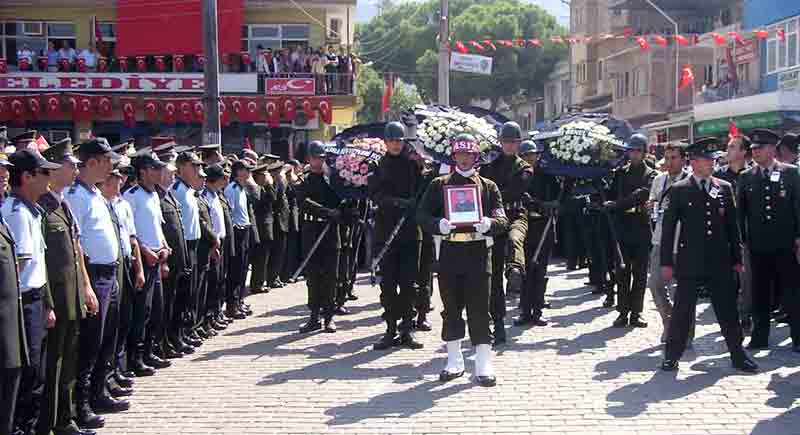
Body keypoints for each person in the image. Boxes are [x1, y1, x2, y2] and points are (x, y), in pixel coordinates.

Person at [660, 137, 758, 373]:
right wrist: (666, 262)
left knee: (727, 310)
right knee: (683, 311)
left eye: (713, 160)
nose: (712, 164)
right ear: (693, 162)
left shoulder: (723, 187)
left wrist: (736, 258)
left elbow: (732, 227)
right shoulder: (679, 190)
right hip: (690, 261)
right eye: (706, 160)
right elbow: (669, 229)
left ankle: (737, 354)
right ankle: (672, 355)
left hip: (719, 260)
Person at [417, 133, 508, 387]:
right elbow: (421, 215)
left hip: (478, 254)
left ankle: (483, 362)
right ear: (453, 156)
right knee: (451, 309)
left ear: (476, 156)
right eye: (460, 154)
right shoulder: (439, 185)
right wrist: (438, 224)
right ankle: (454, 360)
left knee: (480, 309)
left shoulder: (488, 186)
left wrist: (489, 223)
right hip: (449, 255)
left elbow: (502, 220)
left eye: (469, 154)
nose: (464, 159)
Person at [38, 139, 101, 435]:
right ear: (51, 170)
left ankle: (67, 417)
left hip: (73, 294)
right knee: (55, 365)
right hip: (56, 298)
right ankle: (51, 421)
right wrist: (48, 302)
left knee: (70, 360)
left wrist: (86, 287)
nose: (76, 168)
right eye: (70, 164)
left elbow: (75, 250)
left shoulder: (62, 203)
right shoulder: (40, 208)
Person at [65, 138, 127, 428]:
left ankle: (99, 390)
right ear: (93, 162)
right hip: (94, 274)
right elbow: (74, 244)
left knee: (106, 338)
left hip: (110, 273)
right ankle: (82, 403)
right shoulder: (76, 195)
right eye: (107, 161)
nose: (112, 166)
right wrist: (86, 284)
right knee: (89, 342)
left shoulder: (95, 193)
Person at [2, 149, 59, 435]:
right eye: (44, 173)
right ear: (26, 177)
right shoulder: (17, 214)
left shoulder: (31, 211)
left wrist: (47, 304)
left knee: (37, 372)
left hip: (35, 300)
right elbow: (20, 269)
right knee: (28, 373)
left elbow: (38, 267)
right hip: (23, 303)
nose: (50, 179)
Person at [736, 128, 800, 352]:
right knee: (759, 292)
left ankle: (798, 336)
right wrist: (742, 241)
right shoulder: (746, 177)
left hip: (785, 243)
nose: (755, 152)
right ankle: (760, 336)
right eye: (753, 149)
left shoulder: (791, 173)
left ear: (773, 149)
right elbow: (740, 213)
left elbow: (797, 207)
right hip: (758, 246)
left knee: (791, 291)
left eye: (760, 148)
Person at [368, 122, 424, 350]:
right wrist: (398, 202)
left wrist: (416, 200)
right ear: (385, 142)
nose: (395, 145)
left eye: (399, 141)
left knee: (409, 284)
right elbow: (375, 194)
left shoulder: (414, 164)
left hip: (410, 232)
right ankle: (390, 329)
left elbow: (425, 189)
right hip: (386, 231)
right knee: (389, 285)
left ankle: (407, 330)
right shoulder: (377, 165)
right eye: (391, 141)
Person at [479, 121, 532, 345]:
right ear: (500, 143)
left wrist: (493, 193)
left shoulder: (525, 168)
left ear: (519, 144)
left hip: (515, 216)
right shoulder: (489, 166)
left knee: (515, 239)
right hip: (493, 222)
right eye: (506, 141)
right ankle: (498, 323)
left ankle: (516, 271)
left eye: (513, 142)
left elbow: (514, 191)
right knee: (493, 281)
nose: (509, 145)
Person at [124, 153, 174, 375]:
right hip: (143, 259)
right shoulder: (131, 196)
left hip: (157, 257)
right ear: (143, 171)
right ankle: (135, 357)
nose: (159, 173)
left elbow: (158, 226)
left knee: (156, 309)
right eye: (154, 169)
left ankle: (149, 351)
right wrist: (146, 251)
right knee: (141, 312)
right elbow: (130, 233)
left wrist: (164, 246)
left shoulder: (154, 195)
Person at [604, 133, 656, 328]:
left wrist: (615, 204)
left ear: (644, 153)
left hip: (641, 227)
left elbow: (640, 196)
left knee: (640, 273)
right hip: (623, 227)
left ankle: (637, 312)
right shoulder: (620, 173)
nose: (633, 154)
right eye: (631, 150)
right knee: (622, 273)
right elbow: (610, 192)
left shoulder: (651, 174)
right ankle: (622, 312)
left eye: (637, 151)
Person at [296, 141, 340, 333]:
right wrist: (325, 212)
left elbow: (341, 200)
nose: (318, 161)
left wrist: (341, 209)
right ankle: (314, 316)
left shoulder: (334, 179)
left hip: (331, 233)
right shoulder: (303, 179)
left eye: (321, 157)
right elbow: (303, 201)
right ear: (308, 158)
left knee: (331, 277)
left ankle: (329, 317)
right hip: (312, 231)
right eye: (315, 157)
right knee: (313, 277)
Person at [646, 143, 689, 342]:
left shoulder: (690, 181)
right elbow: (652, 203)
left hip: (684, 242)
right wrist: (651, 205)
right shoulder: (658, 180)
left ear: (683, 159)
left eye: (674, 158)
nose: (670, 162)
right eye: (667, 158)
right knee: (655, 284)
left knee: (683, 290)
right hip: (660, 240)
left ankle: (686, 332)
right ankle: (669, 321)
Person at [515, 140, 560, 327]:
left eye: (532, 155)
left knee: (540, 271)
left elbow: (559, 199)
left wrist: (552, 205)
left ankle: (538, 310)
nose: (529, 158)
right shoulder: (518, 176)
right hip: (525, 226)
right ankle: (525, 311)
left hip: (544, 226)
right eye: (525, 155)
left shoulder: (548, 176)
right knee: (526, 271)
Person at [714, 135, 753, 331]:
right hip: (723, 236)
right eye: (727, 147)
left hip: (746, 235)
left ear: (743, 152)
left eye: (732, 147)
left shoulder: (753, 174)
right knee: (726, 281)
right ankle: (729, 318)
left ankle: (745, 316)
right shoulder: (719, 176)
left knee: (746, 280)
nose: (727, 150)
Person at [171, 152, 206, 342]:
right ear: (182, 167)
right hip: (184, 246)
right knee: (182, 294)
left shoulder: (189, 190)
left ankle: (187, 330)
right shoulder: (176, 189)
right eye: (195, 166)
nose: (198, 170)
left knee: (192, 291)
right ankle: (177, 335)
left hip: (195, 245)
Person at [0, 174, 26, 435]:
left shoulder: (3, 216)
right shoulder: (11, 211)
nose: (4, 180)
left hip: (10, 314)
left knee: (11, 376)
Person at [201, 164, 230, 332]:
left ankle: (217, 313)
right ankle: (208, 318)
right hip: (213, 243)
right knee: (212, 282)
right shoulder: (205, 195)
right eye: (222, 177)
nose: (225, 180)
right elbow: (208, 222)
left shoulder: (216, 194)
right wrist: (213, 244)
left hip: (222, 240)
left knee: (220, 280)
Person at [224, 160, 254, 320]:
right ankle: (232, 305)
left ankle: (239, 300)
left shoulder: (242, 189)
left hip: (245, 229)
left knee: (243, 269)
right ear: (238, 172)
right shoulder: (232, 189)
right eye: (245, 170)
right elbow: (230, 213)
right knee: (235, 270)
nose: (248, 172)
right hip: (237, 231)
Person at [249, 162, 276, 293]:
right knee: (259, 258)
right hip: (261, 227)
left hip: (266, 227)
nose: (266, 177)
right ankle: (257, 284)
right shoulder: (256, 189)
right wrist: (269, 184)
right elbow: (271, 199)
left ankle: (260, 281)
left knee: (263, 257)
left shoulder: (262, 188)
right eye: (263, 175)